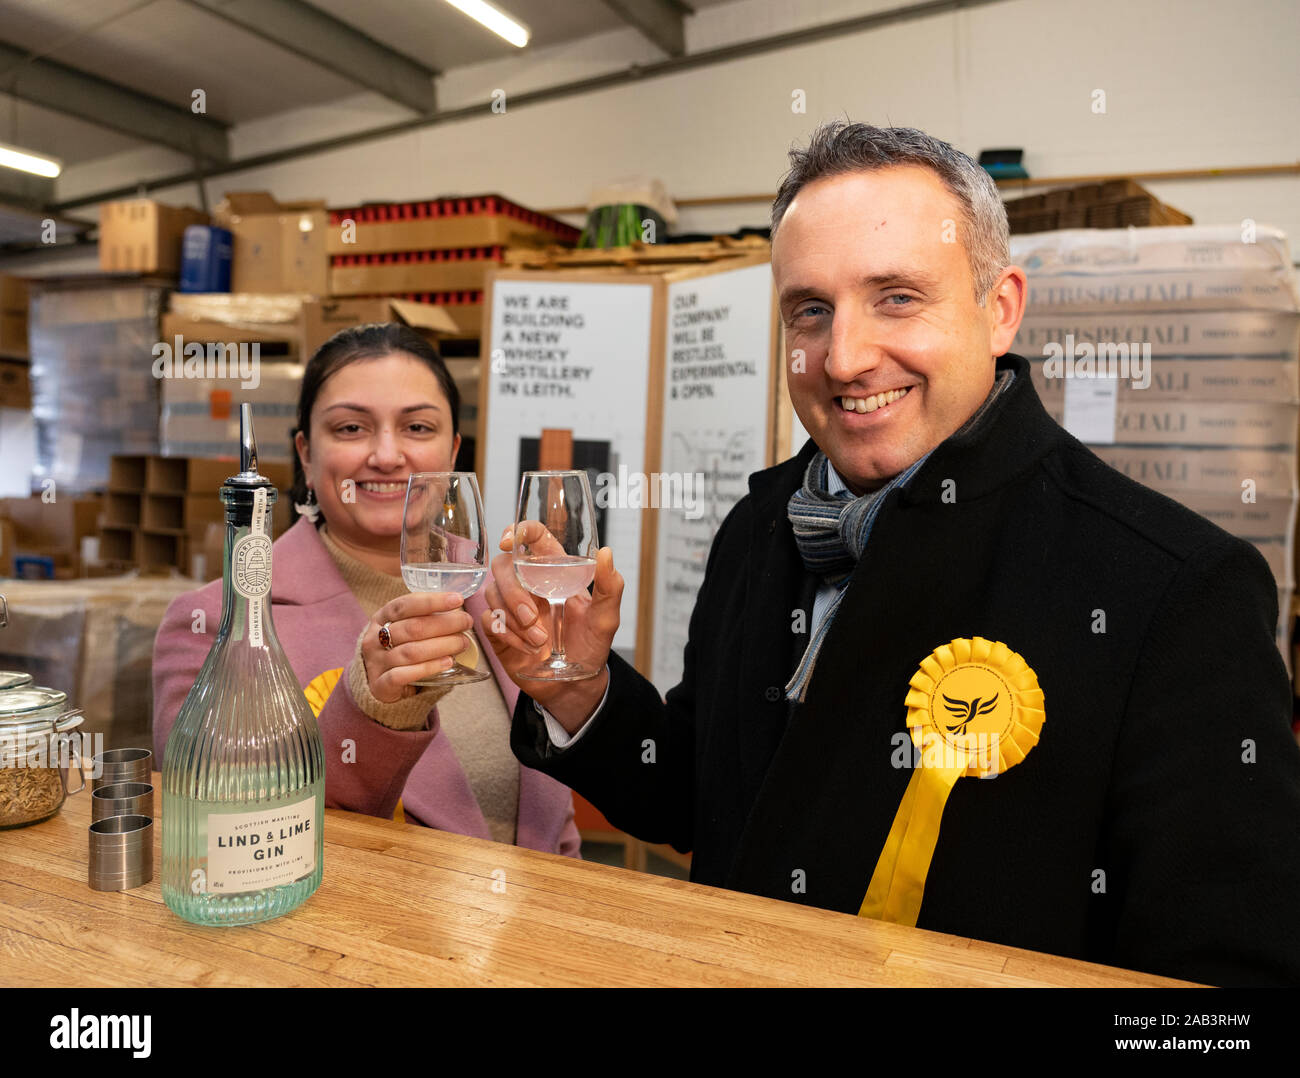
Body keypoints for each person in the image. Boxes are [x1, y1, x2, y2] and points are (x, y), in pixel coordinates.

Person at [482, 122, 1300, 986]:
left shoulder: (1172, 588)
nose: (845, 357)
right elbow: (706, 796)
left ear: (1001, 308)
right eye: (811, 310)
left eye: (898, 298)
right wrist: (579, 690)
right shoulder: (762, 528)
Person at [153, 323, 579, 856]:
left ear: (453, 451)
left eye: (418, 428)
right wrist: (371, 713)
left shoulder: (503, 599)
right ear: (306, 454)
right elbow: (219, 835)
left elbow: (555, 828)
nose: (386, 455)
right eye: (351, 428)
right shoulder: (216, 622)